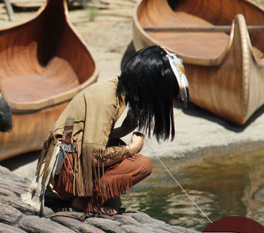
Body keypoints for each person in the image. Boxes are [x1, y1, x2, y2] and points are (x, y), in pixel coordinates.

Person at [23, 45, 189, 215]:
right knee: (142, 165)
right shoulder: (107, 99)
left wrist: (123, 130)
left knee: (118, 148)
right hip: (63, 175)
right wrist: (132, 148)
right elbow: (94, 157)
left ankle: (87, 196)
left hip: (69, 162)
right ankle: (82, 201)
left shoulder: (116, 91)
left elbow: (88, 138)